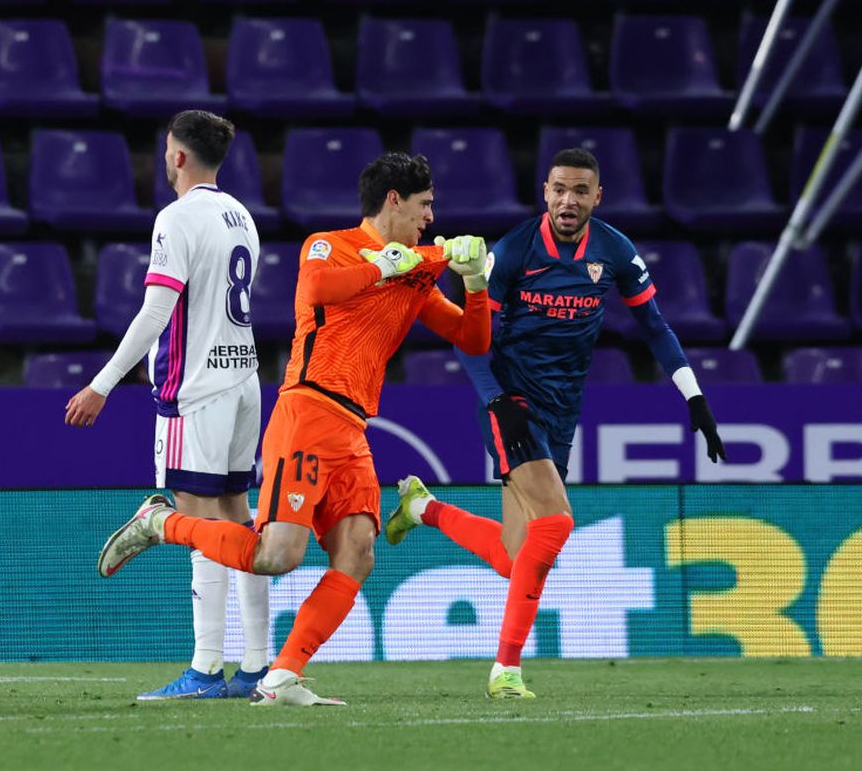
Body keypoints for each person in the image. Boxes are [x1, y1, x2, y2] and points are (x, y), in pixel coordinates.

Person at [97, 151, 492, 705]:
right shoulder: (329, 245)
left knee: (357, 550)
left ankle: (282, 674)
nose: (431, 217)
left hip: (353, 428)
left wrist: (474, 284)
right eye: (425, 205)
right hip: (308, 412)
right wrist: (392, 263)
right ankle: (163, 522)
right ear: (394, 200)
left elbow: (473, 340)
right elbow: (319, 289)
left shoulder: (418, 276)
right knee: (276, 555)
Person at [385, 147, 726, 700]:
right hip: (512, 404)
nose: (569, 201)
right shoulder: (514, 251)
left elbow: (656, 327)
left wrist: (695, 397)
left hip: (562, 410)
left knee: (514, 556)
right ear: (545, 191)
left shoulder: (614, 250)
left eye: (580, 191)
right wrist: (497, 401)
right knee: (557, 523)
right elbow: (472, 338)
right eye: (559, 190)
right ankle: (506, 670)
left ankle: (421, 508)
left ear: (597, 197)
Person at [65, 110, 271, 700]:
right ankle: (256, 668)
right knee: (239, 516)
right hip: (244, 383)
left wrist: (101, 384)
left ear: (178, 155)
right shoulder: (243, 217)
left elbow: (158, 311)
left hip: (197, 390)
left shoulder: (176, 218)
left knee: (201, 519)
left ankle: (207, 670)